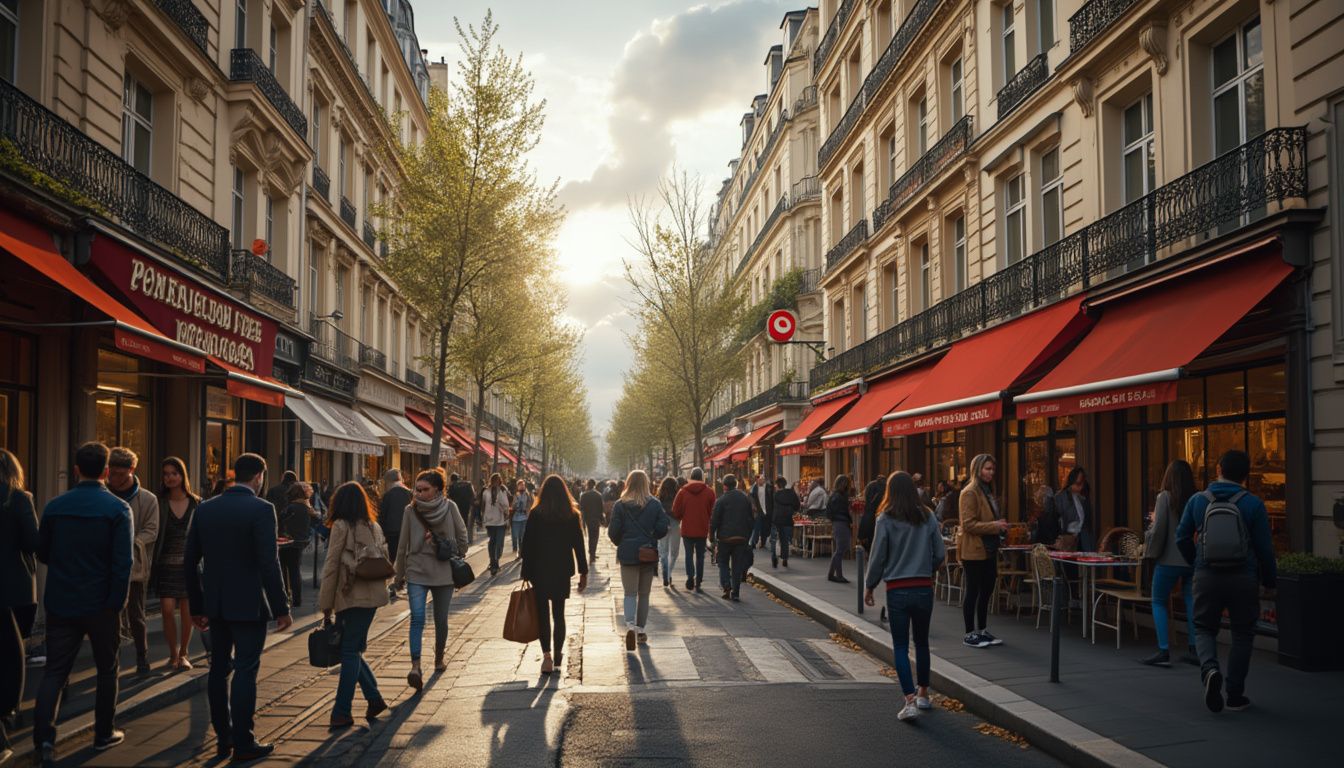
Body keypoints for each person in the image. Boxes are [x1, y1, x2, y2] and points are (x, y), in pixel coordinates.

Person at [185, 453, 293, 761]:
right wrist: (281, 606)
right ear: (259, 476)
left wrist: (197, 604)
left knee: (218, 671)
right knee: (246, 669)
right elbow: (268, 562)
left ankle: (224, 738)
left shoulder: (205, 508)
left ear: (235, 474)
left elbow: (190, 560)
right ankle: (243, 742)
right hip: (248, 604)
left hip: (215, 604)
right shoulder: (262, 509)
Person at [32, 442, 132, 763]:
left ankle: (44, 741)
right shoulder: (118, 509)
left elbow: (42, 551)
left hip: (62, 599)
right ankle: (103, 733)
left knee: (55, 671)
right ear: (106, 471)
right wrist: (116, 602)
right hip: (102, 602)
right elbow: (123, 563)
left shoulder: (55, 506)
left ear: (76, 470)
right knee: (107, 669)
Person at [1175, 450, 1277, 713]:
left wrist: (1196, 561)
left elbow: (1181, 537)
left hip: (1206, 575)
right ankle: (1234, 694)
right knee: (1242, 634)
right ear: (1246, 475)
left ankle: (1209, 669)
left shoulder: (1198, 501)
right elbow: (1265, 548)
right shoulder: (1253, 504)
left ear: (1218, 468)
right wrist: (1269, 579)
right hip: (1243, 577)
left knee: (1203, 628)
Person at [864, 472, 946, 722]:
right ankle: (923, 694)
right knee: (921, 642)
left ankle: (908, 700)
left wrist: (870, 585)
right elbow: (940, 552)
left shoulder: (885, 518)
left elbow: (877, 556)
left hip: (897, 589)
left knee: (900, 645)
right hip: (923, 587)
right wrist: (926, 567)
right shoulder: (928, 515)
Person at [318, 482, 391, 729]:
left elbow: (330, 566)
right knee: (354, 648)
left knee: (349, 651)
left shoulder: (340, 526)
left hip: (350, 597)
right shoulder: (374, 526)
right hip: (373, 597)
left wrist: (325, 604)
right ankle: (374, 699)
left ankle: (342, 711)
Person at [395, 469, 468, 690]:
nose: (419, 493)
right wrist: (399, 574)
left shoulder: (450, 507)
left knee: (441, 620)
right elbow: (402, 544)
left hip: (443, 573)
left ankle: (438, 658)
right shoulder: (410, 510)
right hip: (417, 571)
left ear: (437, 488)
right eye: (416, 489)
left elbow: (463, 539)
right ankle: (415, 666)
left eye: (424, 489)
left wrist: (442, 544)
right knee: (417, 618)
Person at [520, 475, 589, 674]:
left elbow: (527, 546)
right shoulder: (571, 514)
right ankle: (558, 652)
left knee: (542, 614)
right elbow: (579, 545)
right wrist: (583, 572)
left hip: (539, 570)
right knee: (559, 614)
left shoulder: (536, 514)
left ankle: (547, 657)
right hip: (561, 570)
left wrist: (526, 572)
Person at [1141, 459, 1199, 668]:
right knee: (1191, 600)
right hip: (1191, 558)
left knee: (1158, 601)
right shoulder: (1196, 497)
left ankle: (1163, 650)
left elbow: (1159, 531)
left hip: (1169, 558)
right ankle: (1194, 648)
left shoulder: (1164, 497)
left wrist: (1149, 541)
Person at [107, 447, 159, 675]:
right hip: (107, 566)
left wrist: (130, 542)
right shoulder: (104, 494)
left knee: (136, 615)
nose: (115, 479)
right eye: (112, 473)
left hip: (135, 566)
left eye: (120, 474)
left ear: (132, 470)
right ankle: (112, 660)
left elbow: (152, 530)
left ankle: (142, 656)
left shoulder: (148, 499)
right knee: (111, 616)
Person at [1, 449, 37, 762]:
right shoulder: (18, 499)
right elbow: (33, 542)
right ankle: (8, 709)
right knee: (13, 653)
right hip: (14, 588)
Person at [608, 470, 669, 650]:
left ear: (628, 483)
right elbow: (663, 527)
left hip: (627, 554)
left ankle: (629, 626)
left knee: (629, 593)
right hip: (647, 553)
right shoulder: (655, 504)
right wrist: (652, 537)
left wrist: (622, 542)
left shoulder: (620, 505)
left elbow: (613, 532)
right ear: (646, 483)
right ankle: (641, 630)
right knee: (644, 594)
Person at [153, 457, 200, 670]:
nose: (170, 477)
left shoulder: (196, 502)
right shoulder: (159, 502)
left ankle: (183, 654)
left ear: (182, 475)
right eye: (166, 474)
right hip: (165, 565)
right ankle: (172, 653)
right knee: (167, 608)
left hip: (189, 565)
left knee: (188, 610)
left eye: (174, 473)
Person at [958, 454, 1009, 648]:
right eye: (987, 469)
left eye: (992, 469)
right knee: (973, 590)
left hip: (989, 548)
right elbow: (969, 524)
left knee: (987, 588)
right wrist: (995, 526)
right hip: (974, 549)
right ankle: (969, 633)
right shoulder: (970, 492)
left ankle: (982, 629)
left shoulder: (987, 490)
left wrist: (999, 527)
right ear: (977, 469)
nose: (991, 472)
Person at [710, 475, 755, 601]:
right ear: (736, 485)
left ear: (724, 486)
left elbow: (714, 520)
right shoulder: (745, 499)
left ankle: (726, 586)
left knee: (723, 562)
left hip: (725, 538)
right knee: (737, 565)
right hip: (741, 538)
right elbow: (751, 519)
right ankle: (736, 592)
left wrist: (711, 536)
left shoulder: (721, 500)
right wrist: (748, 536)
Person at [671, 467, 715, 592]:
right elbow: (713, 511)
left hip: (687, 529)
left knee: (689, 555)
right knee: (700, 556)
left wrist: (681, 517)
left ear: (690, 477)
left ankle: (690, 576)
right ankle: (699, 579)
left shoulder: (683, 491)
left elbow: (675, 510)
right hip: (702, 528)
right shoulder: (710, 492)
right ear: (702, 477)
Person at [279, 483, 317, 608]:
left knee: (284, 569)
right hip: (301, 542)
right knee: (295, 570)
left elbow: (281, 521)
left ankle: (286, 596)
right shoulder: (307, 508)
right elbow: (316, 521)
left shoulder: (291, 507)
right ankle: (297, 599)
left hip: (288, 542)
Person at [1057, 467, 1095, 551]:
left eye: (1082, 484)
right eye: (1078, 484)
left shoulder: (1083, 497)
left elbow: (1086, 520)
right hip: (1069, 538)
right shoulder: (1062, 497)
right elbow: (1060, 517)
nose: (1080, 487)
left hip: (1083, 537)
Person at [480, 473, 511, 576]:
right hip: (490, 521)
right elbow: (483, 505)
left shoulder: (502, 490)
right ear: (492, 480)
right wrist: (483, 518)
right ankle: (493, 562)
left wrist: (500, 500)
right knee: (493, 541)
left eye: (498, 480)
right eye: (494, 480)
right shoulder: (486, 492)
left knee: (499, 543)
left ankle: (496, 560)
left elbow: (506, 505)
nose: (496, 482)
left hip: (500, 521)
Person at [826, 475, 854, 584]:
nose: (847, 486)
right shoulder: (839, 497)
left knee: (839, 549)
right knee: (841, 549)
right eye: (846, 484)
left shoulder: (836, 495)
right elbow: (838, 511)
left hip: (839, 522)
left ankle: (832, 574)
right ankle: (839, 575)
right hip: (841, 522)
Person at [656, 477, 682, 588]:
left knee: (663, 551)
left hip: (663, 525)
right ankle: (669, 573)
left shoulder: (658, 498)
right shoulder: (678, 496)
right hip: (675, 524)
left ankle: (665, 574)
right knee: (674, 552)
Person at [769, 476, 799, 569]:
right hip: (787, 519)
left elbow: (771, 507)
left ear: (777, 485)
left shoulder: (775, 495)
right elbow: (797, 506)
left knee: (774, 540)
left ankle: (774, 557)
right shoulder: (791, 494)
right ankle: (785, 558)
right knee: (785, 540)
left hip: (776, 519)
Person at [857, 474, 888, 551]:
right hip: (878, 515)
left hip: (868, 516)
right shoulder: (883, 488)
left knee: (870, 540)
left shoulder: (871, 485)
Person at [578, 479, 606, 562]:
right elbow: (601, 508)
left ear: (587, 485)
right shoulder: (598, 495)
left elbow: (581, 508)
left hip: (587, 519)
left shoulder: (584, 495)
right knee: (595, 537)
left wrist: (582, 520)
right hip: (595, 518)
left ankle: (591, 553)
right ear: (594, 485)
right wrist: (602, 519)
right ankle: (592, 553)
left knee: (590, 536)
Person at [447, 473, 475, 545]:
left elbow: (448, 497)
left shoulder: (451, 486)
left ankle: (458, 539)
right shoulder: (468, 484)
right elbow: (473, 495)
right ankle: (465, 539)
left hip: (455, 507)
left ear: (451, 479)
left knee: (455, 523)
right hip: (466, 506)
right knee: (465, 523)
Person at [748, 474, 773, 550]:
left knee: (765, 528)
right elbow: (750, 496)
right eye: (759, 480)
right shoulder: (754, 487)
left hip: (767, 510)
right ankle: (753, 543)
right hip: (758, 510)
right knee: (757, 527)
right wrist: (753, 505)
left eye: (762, 479)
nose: (760, 481)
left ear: (764, 480)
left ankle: (763, 543)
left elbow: (772, 498)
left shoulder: (768, 487)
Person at [510, 478, 532, 556]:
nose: (522, 487)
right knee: (516, 535)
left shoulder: (527, 495)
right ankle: (515, 547)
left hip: (524, 518)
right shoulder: (515, 495)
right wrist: (515, 503)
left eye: (523, 485)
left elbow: (530, 505)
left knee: (522, 535)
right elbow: (512, 506)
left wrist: (528, 512)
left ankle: (520, 552)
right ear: (517, 486)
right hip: (516, 518)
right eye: (520, 485)